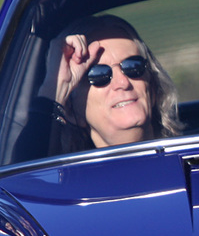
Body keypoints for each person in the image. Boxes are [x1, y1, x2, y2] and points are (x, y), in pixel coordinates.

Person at [45, 14, 181, 154]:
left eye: (133, 67)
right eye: (98, 74)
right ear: (70, 111)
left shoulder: (197, 156)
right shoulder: (67, 175)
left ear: (152, 88)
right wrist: (53, 89)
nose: (123, 82)